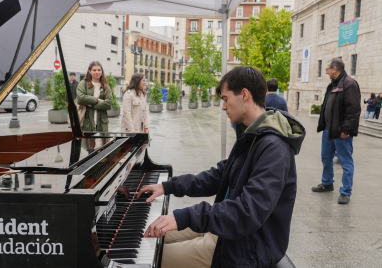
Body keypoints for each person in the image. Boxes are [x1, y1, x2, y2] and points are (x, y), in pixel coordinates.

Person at [137, 66, 306, 268]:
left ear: (244, 95)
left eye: (226, 99)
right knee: (145, 235)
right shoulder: (253, 134)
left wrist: (186, 216)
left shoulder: (273, 147)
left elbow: (248, 211)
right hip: (226, 228)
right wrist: (168, 186)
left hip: (246, 246)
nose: (223, 107)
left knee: (149, 256)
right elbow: (219, 175)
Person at [312, 58, 361, 204]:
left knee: (345, 161)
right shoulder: (333, 84)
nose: (325, 72)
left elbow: (353, 110)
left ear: (335, 69)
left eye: (327, 69)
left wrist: (346, 129)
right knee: (325, 157)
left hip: (341, 132)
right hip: (328, 129)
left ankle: (346, 191)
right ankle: (327, 183)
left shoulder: (349, 84)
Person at [76, 61, 112, 131]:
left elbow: (108, 104)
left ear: (102, 71)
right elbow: (80, 99)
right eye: (94, 70)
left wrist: (91, 105)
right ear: (89, 71)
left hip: (102, 122)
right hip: (87, 121)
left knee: (102, 141)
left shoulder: (105, 86)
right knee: (87, 142)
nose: (97, 72)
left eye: (99, 70)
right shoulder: (83, 84)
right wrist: (97, 100)